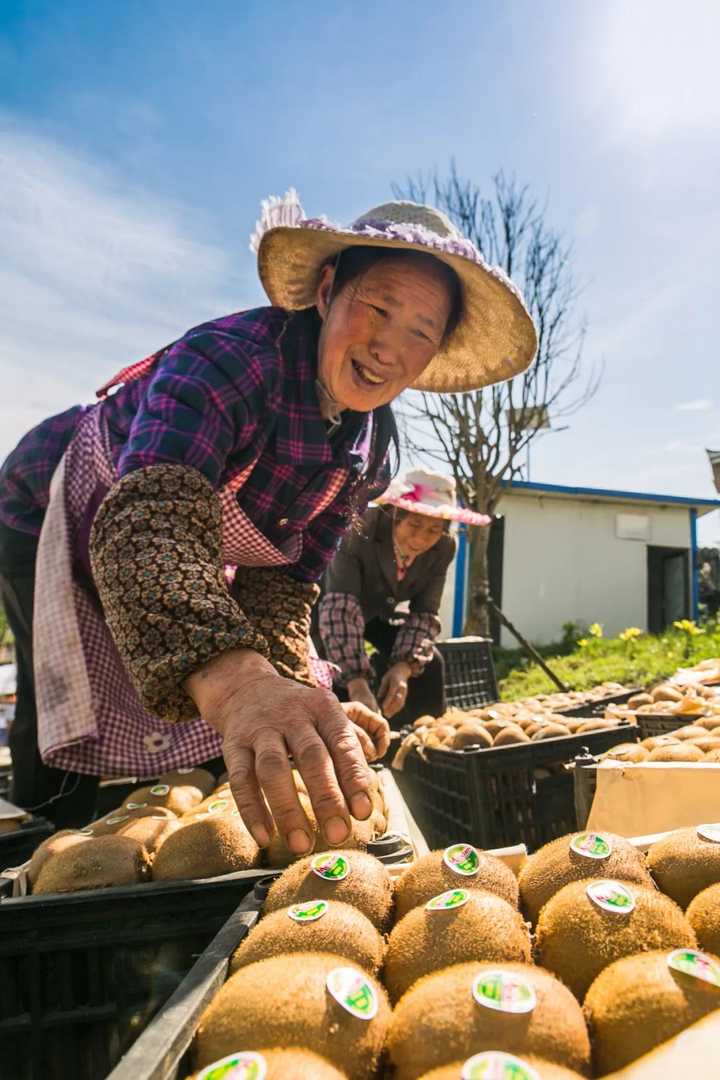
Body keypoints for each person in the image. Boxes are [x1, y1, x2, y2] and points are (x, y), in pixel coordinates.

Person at [0, 190, 536, 851]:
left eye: (420, 333)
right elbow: (153, 521)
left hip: (180, 546)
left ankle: (176, 848)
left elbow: (284, 583)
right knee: (63, 703)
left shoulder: (374, 448)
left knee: (236, 712)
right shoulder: (230, 358)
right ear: (327, 290)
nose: (388, 347)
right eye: (378, 308)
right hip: (48, 510)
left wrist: (293, 689)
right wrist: (237, 681)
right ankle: (41, 864)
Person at [317, 469, 489, 726]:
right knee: (335, 679)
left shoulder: (444, 547)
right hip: (330, 609)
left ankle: (417, 738)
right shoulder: (359, 528)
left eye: (433, 529)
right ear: (397, 515)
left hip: (377, 612)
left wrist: (402, 668)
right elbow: (340, 607)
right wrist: (356, 682)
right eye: (415, 524)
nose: (421, 539)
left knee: (428, 666)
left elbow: (425, 613)